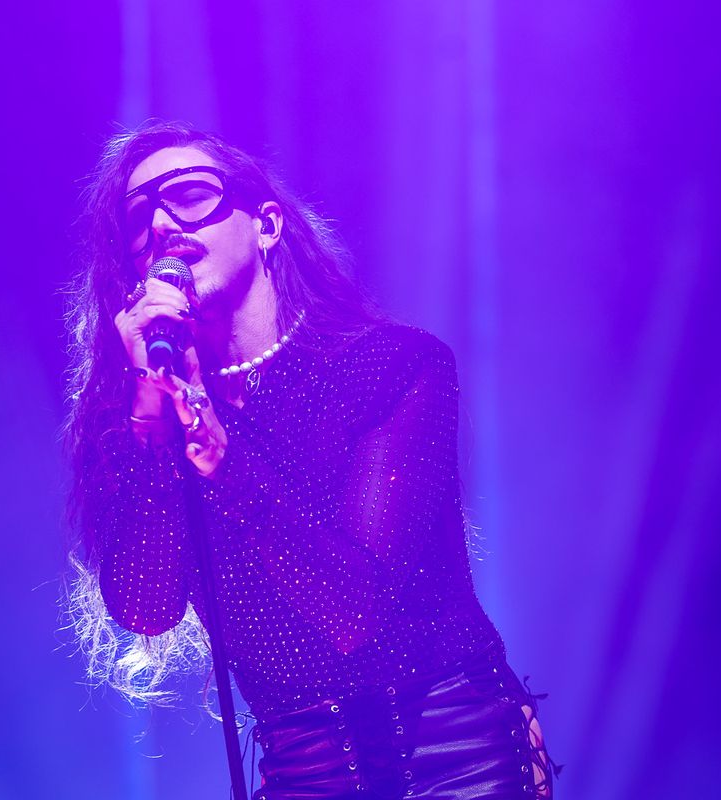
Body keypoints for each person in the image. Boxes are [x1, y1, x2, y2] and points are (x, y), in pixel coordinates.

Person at [63, 120, 556, 799]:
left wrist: (219, 456)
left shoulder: (392, 367)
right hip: (303, 772)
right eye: (138, 217)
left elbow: (357, 613)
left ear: (266, 225)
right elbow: (147, 607)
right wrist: (152, 424)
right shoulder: (155, 416)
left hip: (452, 753)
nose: (163, 225)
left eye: (190, 194)